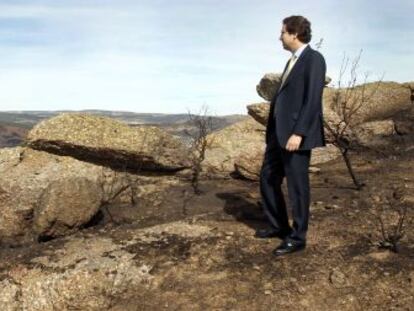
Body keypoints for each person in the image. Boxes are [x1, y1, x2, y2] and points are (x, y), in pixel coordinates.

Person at [256, 15, 327, 256]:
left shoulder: (313, 59)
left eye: (283, 32)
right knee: (267, 177)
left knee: (297, 186)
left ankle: (297, 238)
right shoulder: (292, 61)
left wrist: (299, 133)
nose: (280, 37)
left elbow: (312, 99)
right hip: (278, 133)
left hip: (295, 135)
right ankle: (278, 226)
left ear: (294, 34)